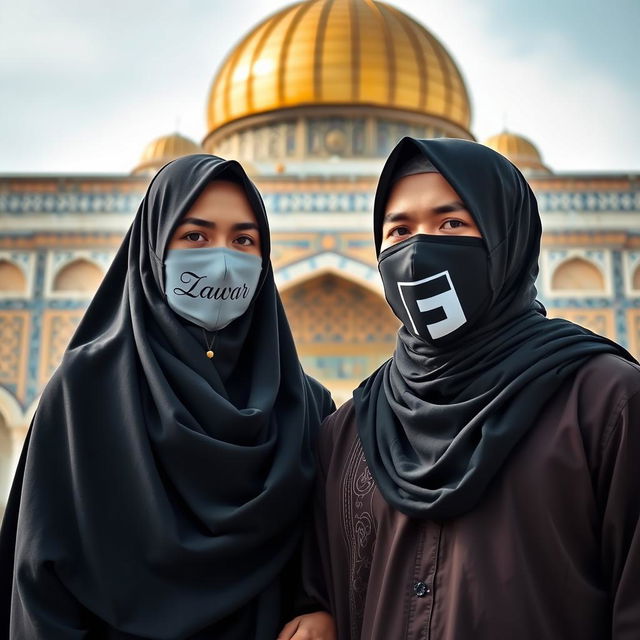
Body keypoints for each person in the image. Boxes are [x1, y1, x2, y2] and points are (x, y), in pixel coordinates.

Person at [299, 137, 640, 639]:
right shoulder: (352, 428)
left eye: (451, 223)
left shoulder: (603, 402)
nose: (418, 251)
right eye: (399, 230)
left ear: (508, 235)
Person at [0, 154, 337, 639]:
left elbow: (320, 559)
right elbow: (41, 582)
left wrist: (322, 608)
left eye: (244, 240)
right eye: (195, 236)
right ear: (154, 247)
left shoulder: (302, 406)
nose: (222, 262)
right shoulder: (87, 392)